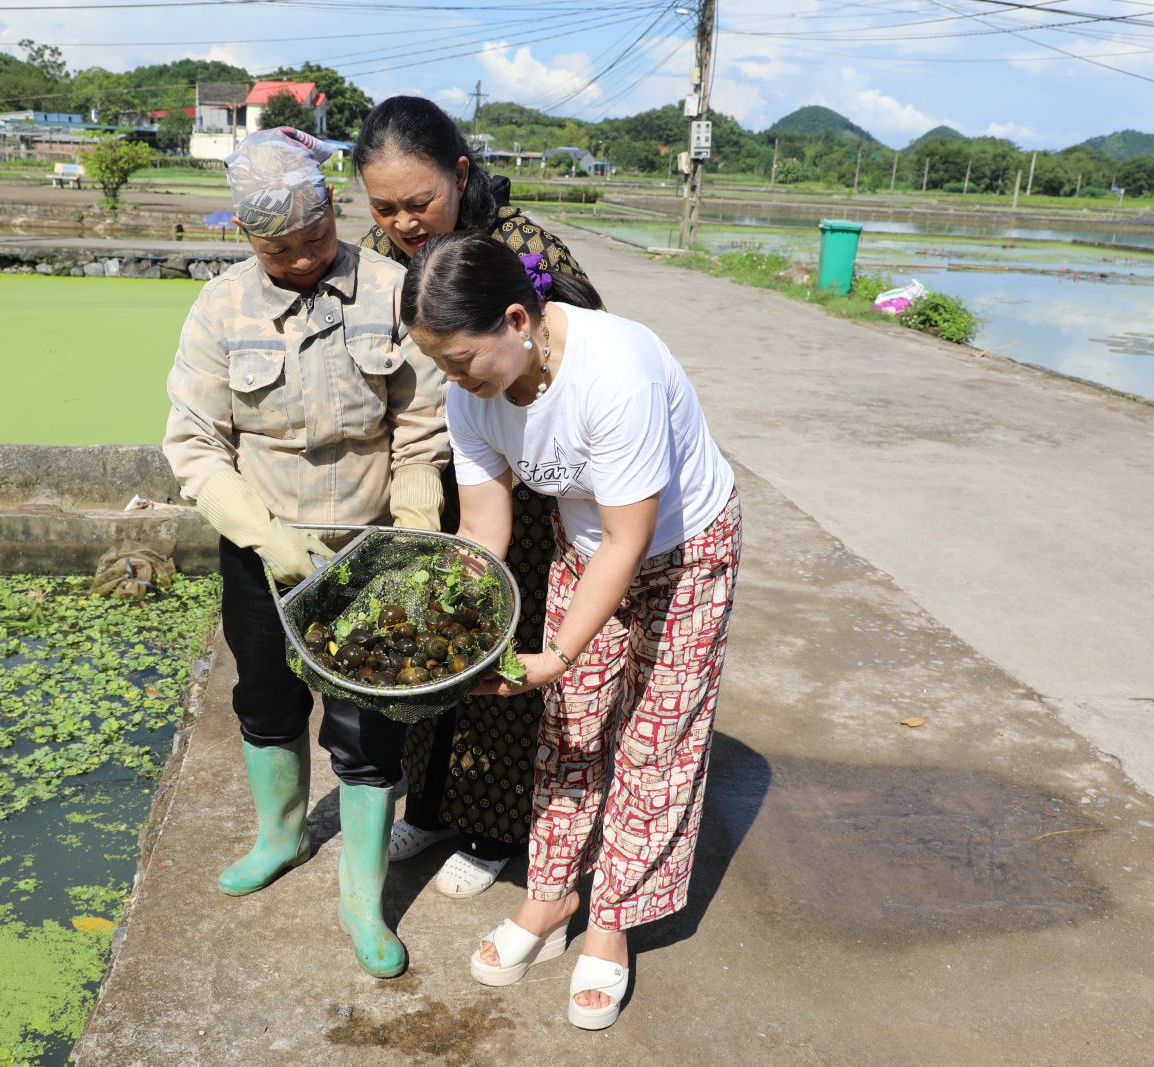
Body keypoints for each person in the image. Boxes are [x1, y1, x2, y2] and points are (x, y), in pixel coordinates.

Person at [401, 231, 742, 1030]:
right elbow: (484, 527)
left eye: (461, 359)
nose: (453, 379)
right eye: (438, 362)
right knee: (570, 727)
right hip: (586, 544)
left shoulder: (615, 370)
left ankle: (611, 919)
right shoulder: (471, 392)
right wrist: (456, 627)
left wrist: (555, 654)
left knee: (654, 739)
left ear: (518, 320)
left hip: (684, 551)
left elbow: (630, 539)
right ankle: (552, 896)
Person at [162, 128, 448, 979]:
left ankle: (363, 896)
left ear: (334, 212)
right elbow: (196, 444)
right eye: (278, 249)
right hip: (264, 545)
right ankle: (280, 835)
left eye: (316, 239)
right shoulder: (220, 308)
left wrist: (413, 523)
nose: (301, 260)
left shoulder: (392, 292)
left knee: (368, 726)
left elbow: (420, 428)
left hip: (370, 549)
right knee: (266, 698)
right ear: (248, 239)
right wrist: (265, 536)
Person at [354, 94, 589, 900]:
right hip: (428, 481)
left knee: (501, 647)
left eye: (418, 202)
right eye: (383, 207)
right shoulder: (375, 255)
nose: (402, 222)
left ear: (460, 173)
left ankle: (494, 826)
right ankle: (428, 803)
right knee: (431, 639)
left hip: (522, 494)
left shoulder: (524, 251)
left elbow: (576, 363)